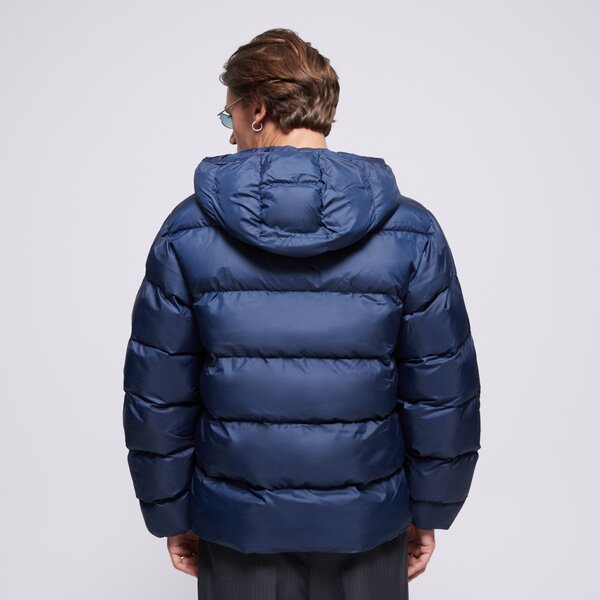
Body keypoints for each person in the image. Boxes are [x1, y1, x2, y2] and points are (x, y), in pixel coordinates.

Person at [122, 28, 481, 600]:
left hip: (238, 528)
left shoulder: (188, 232)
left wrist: (171, 510)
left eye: (230, 116)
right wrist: (430, 507)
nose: (231, 133)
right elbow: (442, 389)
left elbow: (159, 392)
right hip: (368, 526)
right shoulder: (411, 231)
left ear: (258, 110)